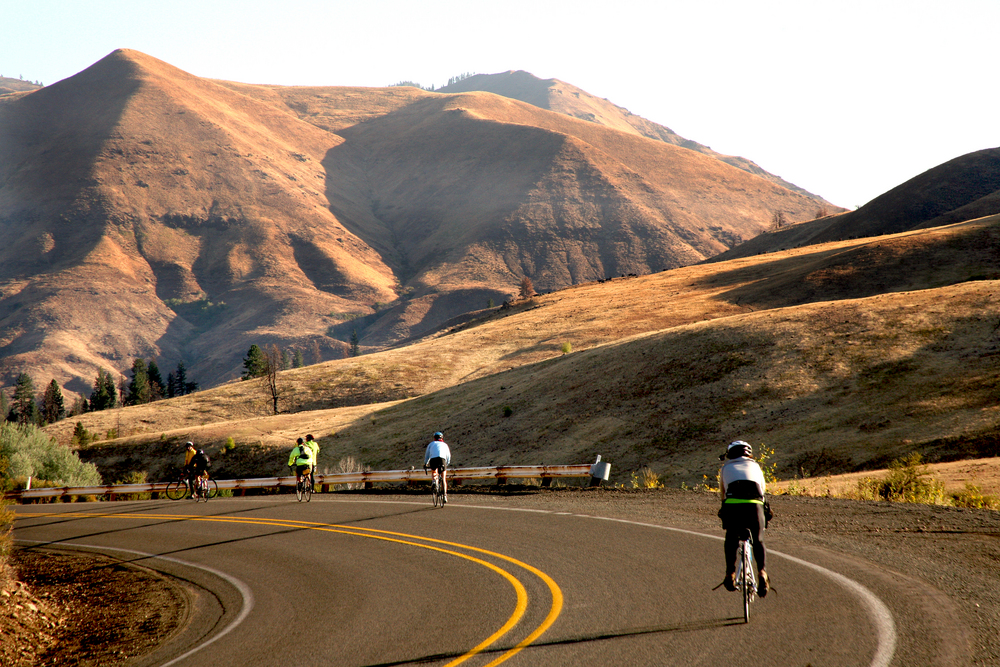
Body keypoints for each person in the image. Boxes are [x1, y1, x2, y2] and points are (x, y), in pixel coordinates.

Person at [718, 440, 769, 597]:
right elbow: (763, 490)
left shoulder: (725, 468)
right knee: (758, 540)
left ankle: (730, 574)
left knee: (731, 538)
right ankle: (762, 572)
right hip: (754, 505)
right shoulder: (756, 467)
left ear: (730, 454)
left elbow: (723, 494)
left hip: (733, 506)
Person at [423, 431, 451, 503]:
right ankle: (445, 496)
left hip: (433, 459)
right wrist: (446, 464)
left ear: (434, 438)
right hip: (442, 460)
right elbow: (448, 456)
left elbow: (427, 455)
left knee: (434, 472)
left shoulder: (431, 444)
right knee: (444, 478)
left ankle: (434, 481)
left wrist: (426, 463)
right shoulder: (445, 445)